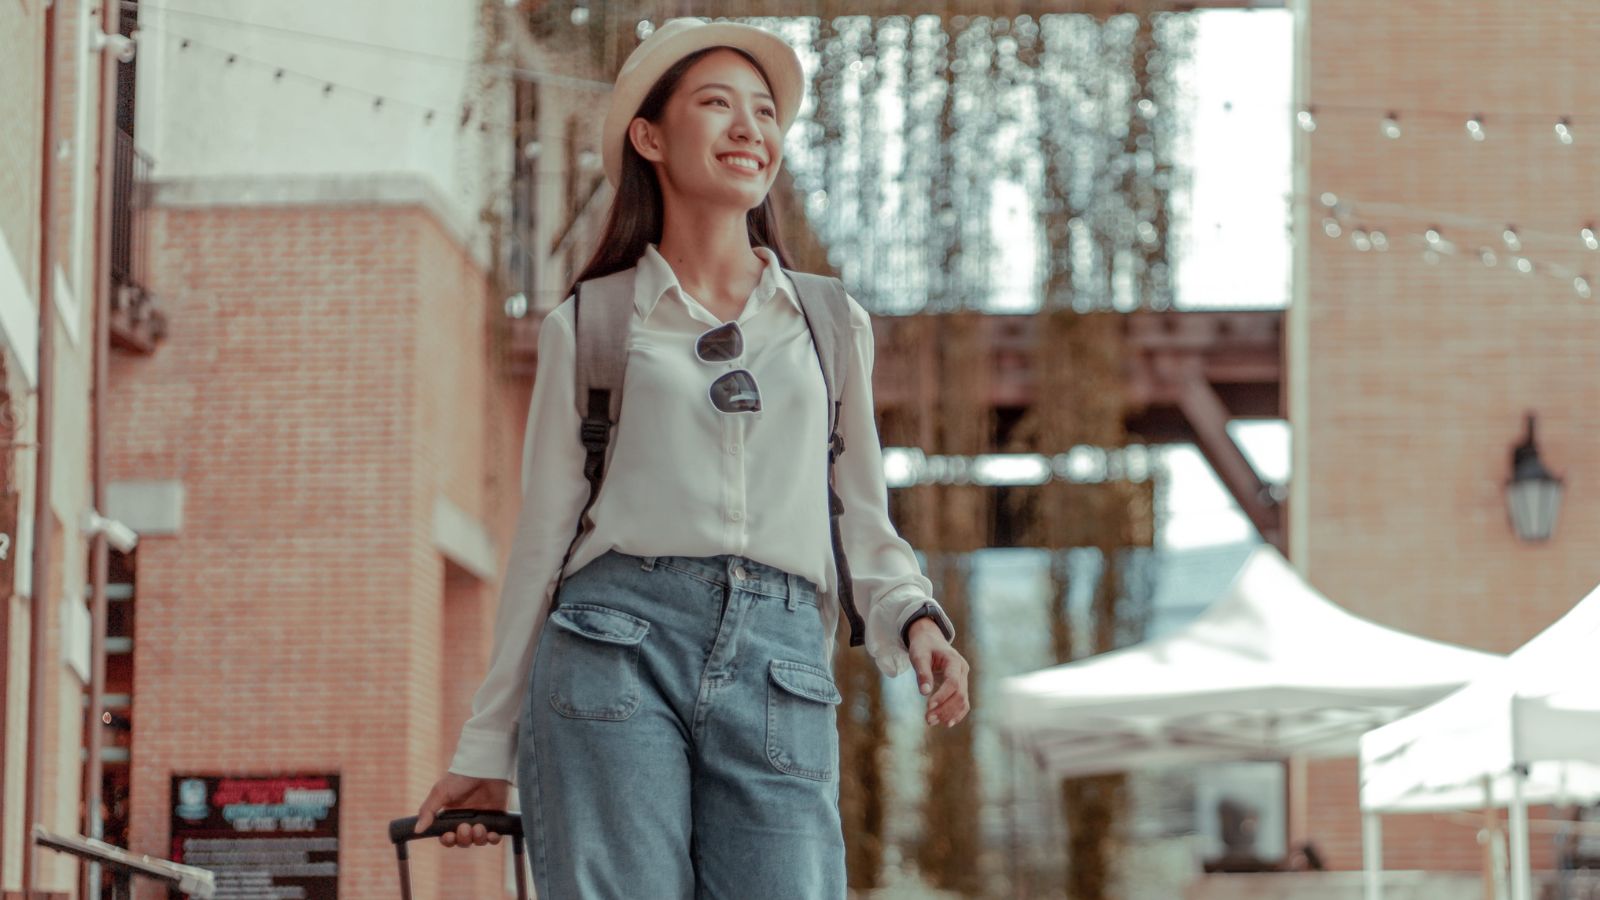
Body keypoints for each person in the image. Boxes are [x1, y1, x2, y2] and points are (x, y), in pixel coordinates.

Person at [413, 17, 970, 897]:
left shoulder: (830, 324)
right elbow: (543, 543)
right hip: (611, 641)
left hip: (784, 660)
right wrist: (488, 747)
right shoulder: (591, 324)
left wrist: (915, 617)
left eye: (763, 112)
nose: (750, 127)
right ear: (650, 137)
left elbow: (859, 515)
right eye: (717, 105)